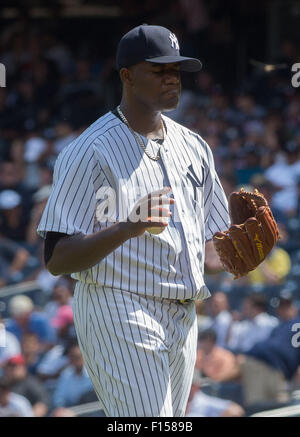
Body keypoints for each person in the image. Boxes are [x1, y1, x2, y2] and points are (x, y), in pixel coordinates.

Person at [37, 24, 231, 417]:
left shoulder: (194, 146)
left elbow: (213, 243)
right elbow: (57, 258)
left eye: (175, 71)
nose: (171, 78)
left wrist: (237, 254)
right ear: (126, 76)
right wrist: (129, 226)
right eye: (158, 70)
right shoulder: (90, 150)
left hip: (183, 310)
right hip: (119, 305)